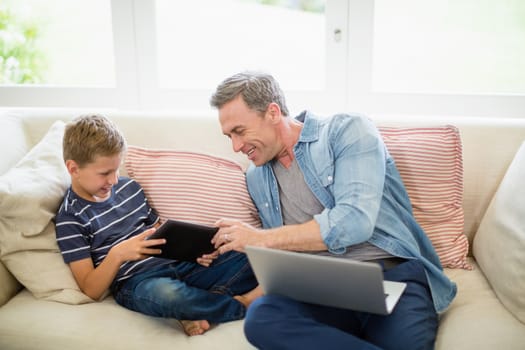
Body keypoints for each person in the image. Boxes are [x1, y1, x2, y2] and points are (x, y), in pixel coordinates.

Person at [209, 71, 457, 350]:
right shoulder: (257, 175)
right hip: (321, 288)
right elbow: (286, 251)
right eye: (229, 136)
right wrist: (243, 296)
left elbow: (355, 221)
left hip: (389, 277)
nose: (236, 146)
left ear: (273, 113)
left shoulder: (347, 130)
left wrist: (258, 238)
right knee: (262, 318)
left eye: (239, 131)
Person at [55, 114, 261, 336]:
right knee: (167, 296)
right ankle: (243, 305)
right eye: (105, 173)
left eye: (116, 170)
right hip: (138, 282)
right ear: (73, 168)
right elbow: (90, 289)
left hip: (180, 265)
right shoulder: (70, 218)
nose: (114, 180)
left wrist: (193, 253)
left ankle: (193, 310)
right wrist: (118, 254)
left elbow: (162, 232)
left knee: (254, 256)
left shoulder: (130, 188)